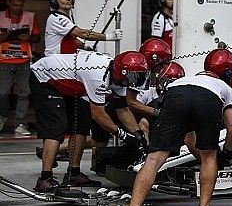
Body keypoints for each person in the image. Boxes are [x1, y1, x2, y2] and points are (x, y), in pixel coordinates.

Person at [115, 48, 232, 206]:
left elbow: (189, 138)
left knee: (154, 159)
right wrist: (227, 154)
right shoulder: (225, 89)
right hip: (208, 99)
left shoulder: (183, 80)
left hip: (174, 95)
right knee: (209, 156)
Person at [30, 50, 149, 197]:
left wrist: (138, 134)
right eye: (134, 76)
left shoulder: (118, 78)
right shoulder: (98, 76)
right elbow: (99, 115)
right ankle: (44, 179)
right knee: (57, 126)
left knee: (82, 126)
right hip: (45, 78)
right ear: (123, 72)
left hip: (71, 83)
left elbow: (123, 110)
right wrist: (123, 134)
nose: (136, 80)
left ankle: (73, 174)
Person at [0, 0, 40, 135]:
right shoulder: (0, 17)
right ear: (8, 2)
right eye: (15, 5)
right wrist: (5, 36)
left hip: (24, 60)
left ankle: (20, 123)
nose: (18, 8)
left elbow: (37, 37)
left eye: (21, 5)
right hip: (4, 60)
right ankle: (2, 116)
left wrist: (29, 37)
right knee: (2, 92)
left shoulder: (30, 16)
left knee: (25, 92)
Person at [44, 0, 123, 56]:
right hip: (55, 62)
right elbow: (82, 33)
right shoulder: (58, 19)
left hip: (63, 61)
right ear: (54, 2)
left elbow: (72, 39)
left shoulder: (64, 18)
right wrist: (109, 37)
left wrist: (84, 46)